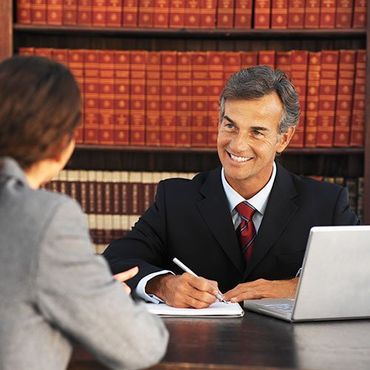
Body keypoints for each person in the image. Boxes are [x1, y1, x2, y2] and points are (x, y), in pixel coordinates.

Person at [103, 65, 359, 309]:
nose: (237, 145)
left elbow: (361, 274)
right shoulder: (175, 199)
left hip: (293, 351)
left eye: (257, 132)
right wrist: (163, 285)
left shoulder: (327, 204)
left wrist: (295, 288)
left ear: (283, 139)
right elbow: (115, 261)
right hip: (199, 350)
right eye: (230, 126)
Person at [0, 55, 168, 370]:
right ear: (62, 141)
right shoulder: (45, 219)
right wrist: (104, 298)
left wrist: (81, 287)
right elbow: (140, 346)